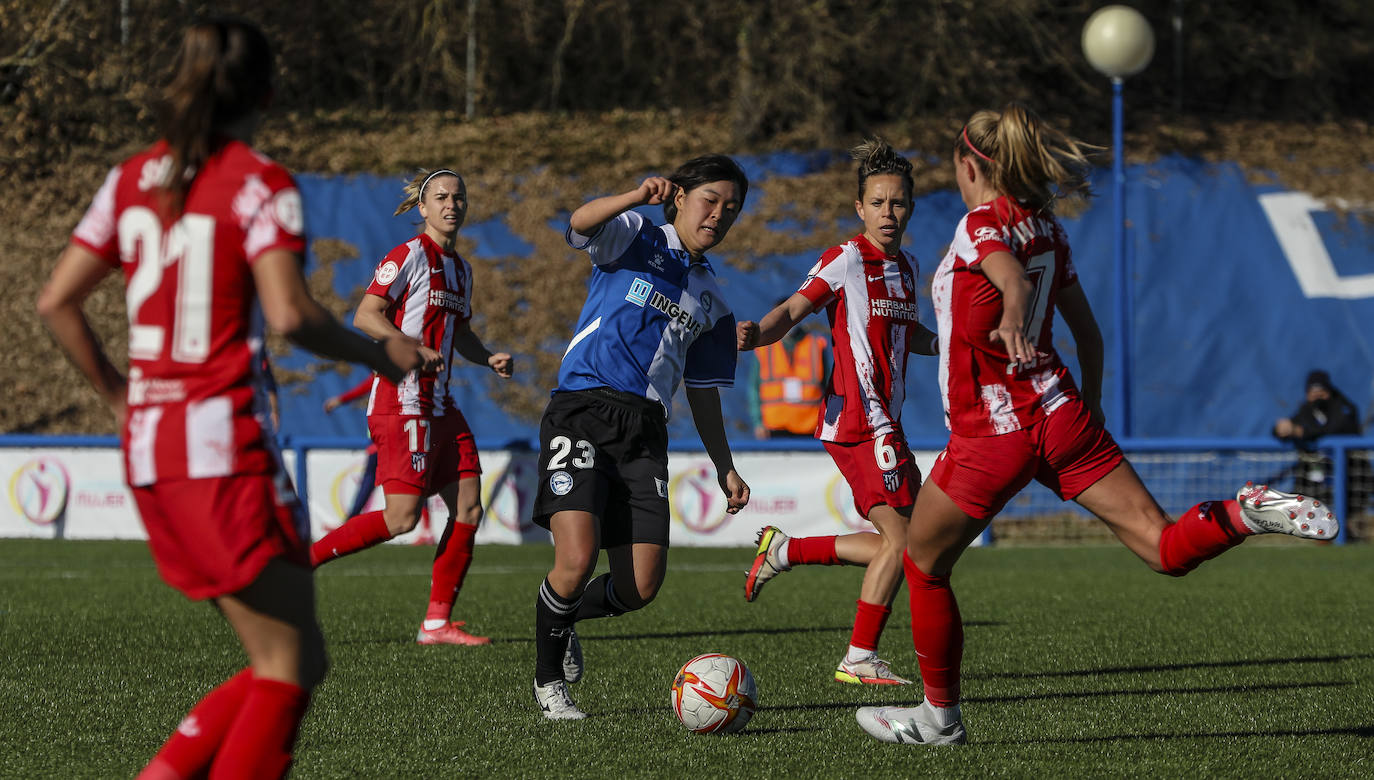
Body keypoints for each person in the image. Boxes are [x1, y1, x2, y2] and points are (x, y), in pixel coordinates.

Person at [853, 103, 1340, 746]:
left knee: (923, 559)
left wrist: (1012, 308)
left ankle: (939, 719)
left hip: (993, 433)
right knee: (1163, 548)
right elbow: (1087, 333)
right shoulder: (1048, 230)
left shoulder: (979, 226)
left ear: (969, 165)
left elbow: (1004, 275)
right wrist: (1094, 405)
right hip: (1063, 415)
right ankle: (1245, 512)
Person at [34, 18, 423, 779]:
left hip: (150, 450)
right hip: (220, 447)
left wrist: (119, 396)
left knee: (286, 655)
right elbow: (288, 314)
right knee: (288, 662)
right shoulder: (259, 181)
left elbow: (56, 302)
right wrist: (383, 354)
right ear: (269, 94)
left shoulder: (130, 179)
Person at [530, 155, 752, 719]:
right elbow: (579, 224)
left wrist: (724, 464)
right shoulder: (634, 234)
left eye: (731, 208)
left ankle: (564, 616)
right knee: (576, 560)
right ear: (679, 196)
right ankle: (549, 683)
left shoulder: (714, 302)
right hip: (582, 410)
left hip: (645, 432)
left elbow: (703, 392)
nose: (718, 215)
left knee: (640, 588)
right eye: (710, 201)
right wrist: (633, 195)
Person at [738, 139, 940, 687]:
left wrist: (948, 343)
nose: (888, 213)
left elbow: (908, 333)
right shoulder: (845, 259)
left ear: (911, 207)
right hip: (857, 420)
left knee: (905, 542)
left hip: (886, 422)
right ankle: (858, 657)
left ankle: (785, 549)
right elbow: (794, 309)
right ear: (859, 208)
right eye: (877, 203)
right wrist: (758, 334)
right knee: (904, 542)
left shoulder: (909, 267)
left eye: (897, 203)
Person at [309, 168, 513, 646]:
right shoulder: (409, 255)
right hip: (402, 401)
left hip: (441, 404)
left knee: (467, 509)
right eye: (441, 197)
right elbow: (365, 313)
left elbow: (459, 333)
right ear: (423, 208)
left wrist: (488, 358)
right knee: (402, 518)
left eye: (458, 197)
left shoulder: (461, 269)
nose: (451, 204)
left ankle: (436, 623)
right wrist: (409, 347)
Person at [1273, 369, 1362, 506]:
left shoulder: (1342, 408)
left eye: (1321, 393)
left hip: (1345, 484)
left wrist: (1303, 433)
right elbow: (1289, 428)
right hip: (1312, 484)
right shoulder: (1306, 411)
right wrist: (1280, 429)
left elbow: (1338, 428)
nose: (1317, 398)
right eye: (1313, 393)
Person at [746, 297, 830, 439]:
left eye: (789, 315)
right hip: (773, 429)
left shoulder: (816, 345)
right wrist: (758, 423)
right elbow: (754, 389)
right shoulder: (764, 349)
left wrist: (827, 423)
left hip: (810, 428)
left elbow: (829, 387)